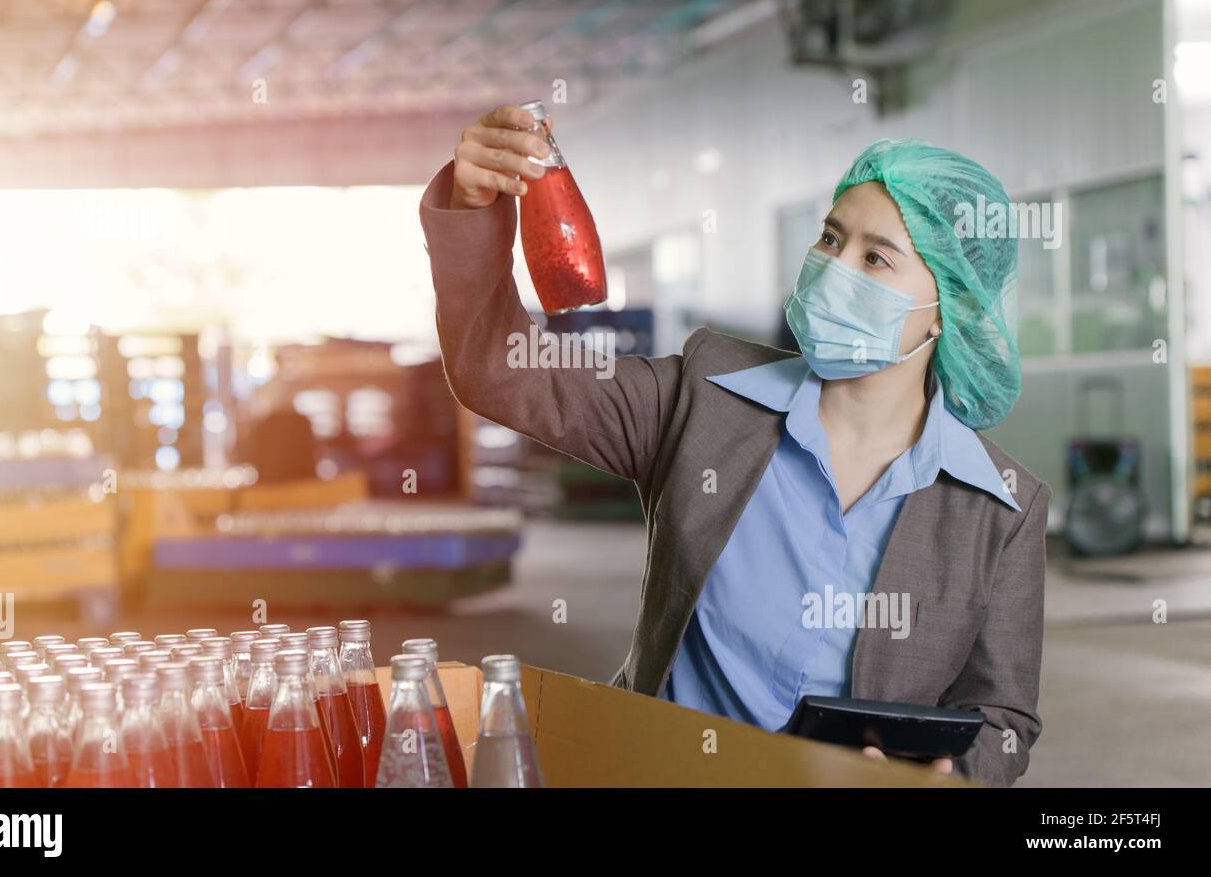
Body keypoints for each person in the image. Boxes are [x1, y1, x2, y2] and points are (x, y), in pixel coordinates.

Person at [418, 105, 1048, 786]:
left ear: (951, 305)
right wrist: (471, 211)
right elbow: (500, 372)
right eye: (831, 240)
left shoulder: (1001, 509)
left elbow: (1002, 719)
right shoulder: (704, 398)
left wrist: (940, 780)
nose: (836, 271)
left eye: (876, 258)